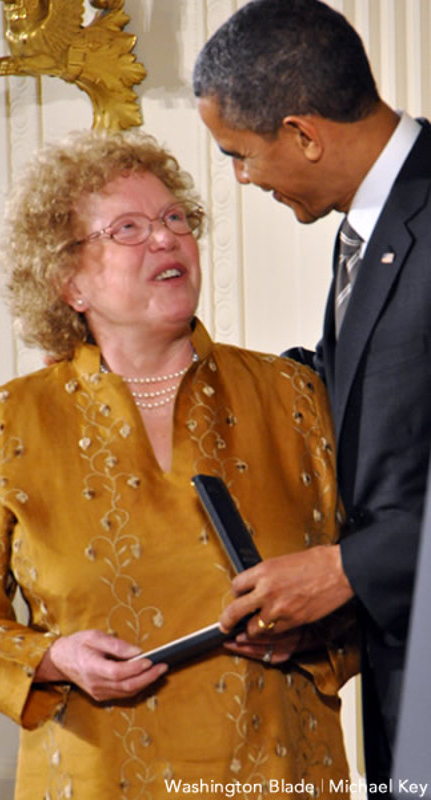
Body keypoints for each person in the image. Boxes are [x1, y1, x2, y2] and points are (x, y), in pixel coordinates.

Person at [0, 129, 357, 799]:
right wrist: (51, 657)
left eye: (175, 219)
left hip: (278, 770)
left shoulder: (294, 397)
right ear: (68, 282)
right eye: (128, 228)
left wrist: (317, 635)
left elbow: (382, 569)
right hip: (97, 775)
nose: (165, 239)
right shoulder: (14, 419)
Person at [193, 0, 431, 793]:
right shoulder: (369, 226)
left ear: (301, 133)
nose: (240, 178)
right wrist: (182, 378)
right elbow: (352, 392)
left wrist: (348, 569)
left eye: (238, 154)